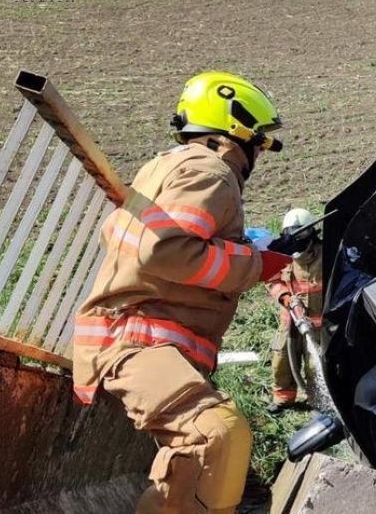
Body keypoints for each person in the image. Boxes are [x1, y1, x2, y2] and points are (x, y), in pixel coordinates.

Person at [71, 71, 292, 513]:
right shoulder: (211, 171)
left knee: (201, 455)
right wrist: (256, 263)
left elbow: (159, 244)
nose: (258, 154)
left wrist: (244, 251)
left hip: (131, 337)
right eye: (259, 142)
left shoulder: (165, 167)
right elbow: (165, 250)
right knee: (218, 435)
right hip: (138, 342)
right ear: (237, 132)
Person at [265, 208, 325, 414]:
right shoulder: (281, 255)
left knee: (315, 365)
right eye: (291, 233)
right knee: (281, 360)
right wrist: (286, 297)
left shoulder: (326, 254)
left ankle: (318, 401)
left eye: (302, 233)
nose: (297, 239)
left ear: (312, 233)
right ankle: (283, 398)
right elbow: (272, 279)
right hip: (290, 321)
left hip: (318, 326)